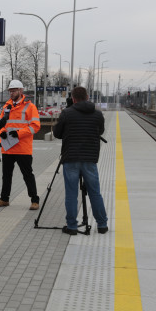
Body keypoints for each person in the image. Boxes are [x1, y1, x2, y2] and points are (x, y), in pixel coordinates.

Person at [52, 86, 108, 235]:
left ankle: (72, 227)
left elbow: (57, 133)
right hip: (90, 159)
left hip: (70, 158)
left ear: (73, 98)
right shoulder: (97, 114)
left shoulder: (67, 113)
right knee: (95, 192)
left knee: (71, 193)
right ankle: (102, 225)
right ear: (88, 97)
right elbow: (100, 131)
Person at [0, 79, 41, 210]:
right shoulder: (6, 107)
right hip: (8, 148)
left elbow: (35, 126)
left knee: (27, 175)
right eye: (10, 91)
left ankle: (34, 200)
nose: (11, 93)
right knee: (6, 176)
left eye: (13, 91)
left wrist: (19, 133)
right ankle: (4, 199)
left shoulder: (30, 107)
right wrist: (2, 132)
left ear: (21, 91)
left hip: (23, 148)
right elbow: (1, 123)